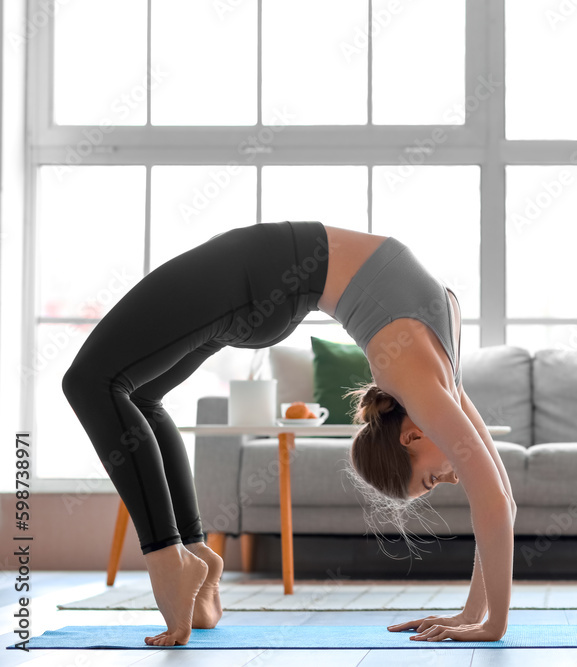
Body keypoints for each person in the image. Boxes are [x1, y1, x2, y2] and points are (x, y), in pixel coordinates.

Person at [61, 221, 516, 645]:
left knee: (92, 382)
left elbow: (496, 500)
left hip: (261, 278)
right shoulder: (425, 381)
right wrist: (487, 621)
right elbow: (498, 500)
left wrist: (478, 617)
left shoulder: (430, 379)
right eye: (432, 479)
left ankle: (169, 558)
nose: (452, 478)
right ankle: (191, 553)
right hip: (260, 279)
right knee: (125, 393)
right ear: (411, 438)